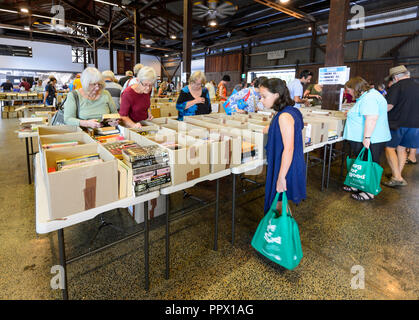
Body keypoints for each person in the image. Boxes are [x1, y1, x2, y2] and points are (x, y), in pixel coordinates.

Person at [259, 78, 306, 212]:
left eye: (264, 96)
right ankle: (284, 231)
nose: (261, 100)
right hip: (286, 163)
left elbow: (289, 148)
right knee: (280, 203)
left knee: (279, 204)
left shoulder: (284, 116)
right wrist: (271, 128)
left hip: (285, 166)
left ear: (276, 95)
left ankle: (283, 232)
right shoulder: (290, 111)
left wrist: (281, 177)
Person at [342, 77, 391, 200]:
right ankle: (358, 184)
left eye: (349, 90)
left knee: (370, 164)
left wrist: (367, 137)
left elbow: (371, 118)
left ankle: (369, 192)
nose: (348, 93)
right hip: (366, 136)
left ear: (356, 88)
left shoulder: (370, 98)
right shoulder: (368, 96)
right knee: (362, 163)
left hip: (372, 137)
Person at [383, 65, 419, 187]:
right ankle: (397, 174)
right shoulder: (417, 86)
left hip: (397, 123)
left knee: (389, 148)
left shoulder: (397, 86)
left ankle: (397, 177)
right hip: (415, 125)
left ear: (395, 77)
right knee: (402, 148)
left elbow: (389, 106)